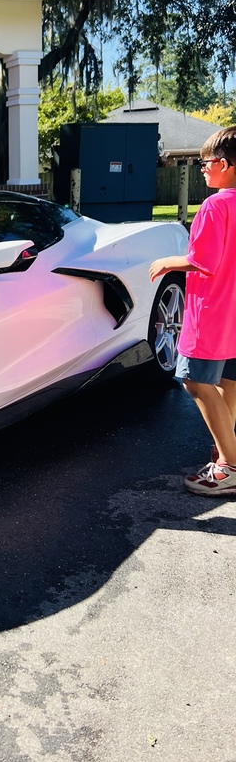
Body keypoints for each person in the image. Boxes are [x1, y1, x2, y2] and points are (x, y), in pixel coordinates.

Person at [149, 126, 236, 494]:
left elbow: (204, 262)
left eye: (205, 162)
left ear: (226, 164)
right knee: (229, 380)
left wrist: (168, 260)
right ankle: (224, 454)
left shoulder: (215, 206)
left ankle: (229, 466)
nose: (202, 168)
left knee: (195, 380)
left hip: (212, 310)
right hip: (233, 310)